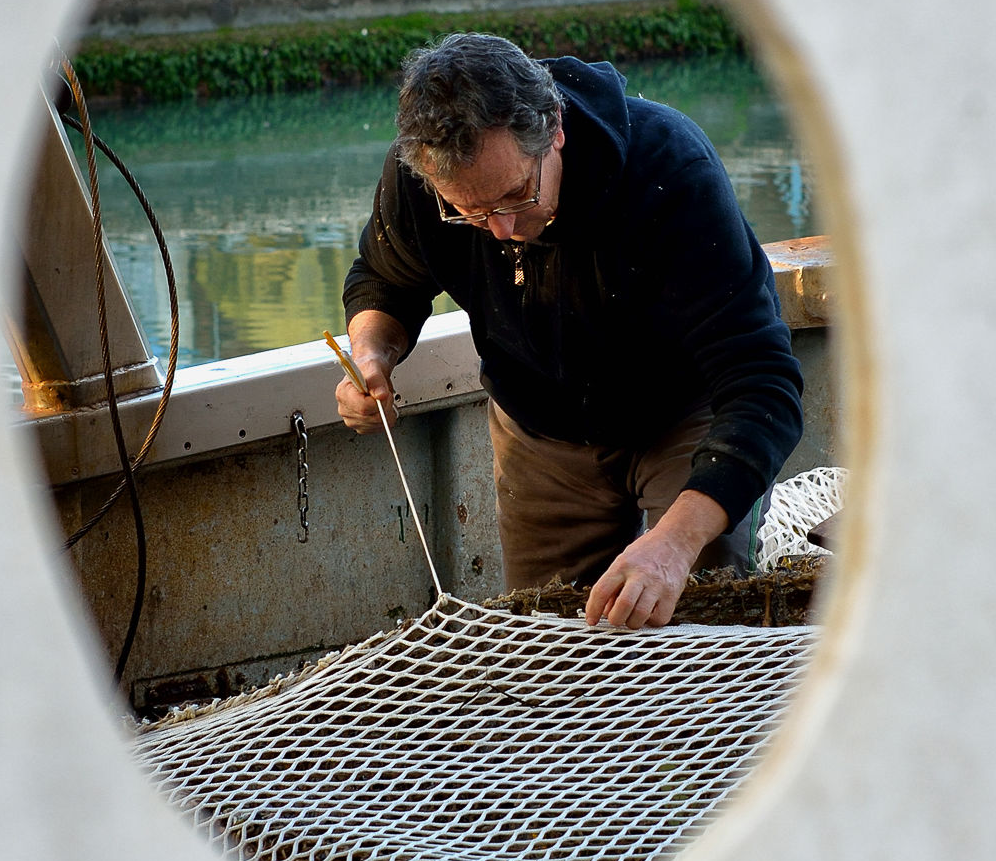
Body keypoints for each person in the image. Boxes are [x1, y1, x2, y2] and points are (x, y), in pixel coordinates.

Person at [336, 32, 802, 628]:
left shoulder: (672, 169)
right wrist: (371, 356)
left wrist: (675, 543)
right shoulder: (422, 177)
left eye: (516, 195)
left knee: (697, 620)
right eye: (468, 212)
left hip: (686, 416)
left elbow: (763, 383)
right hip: (540, 432)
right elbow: (385, 278)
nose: (501, 230)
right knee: (550, 645)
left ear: (555, 128)